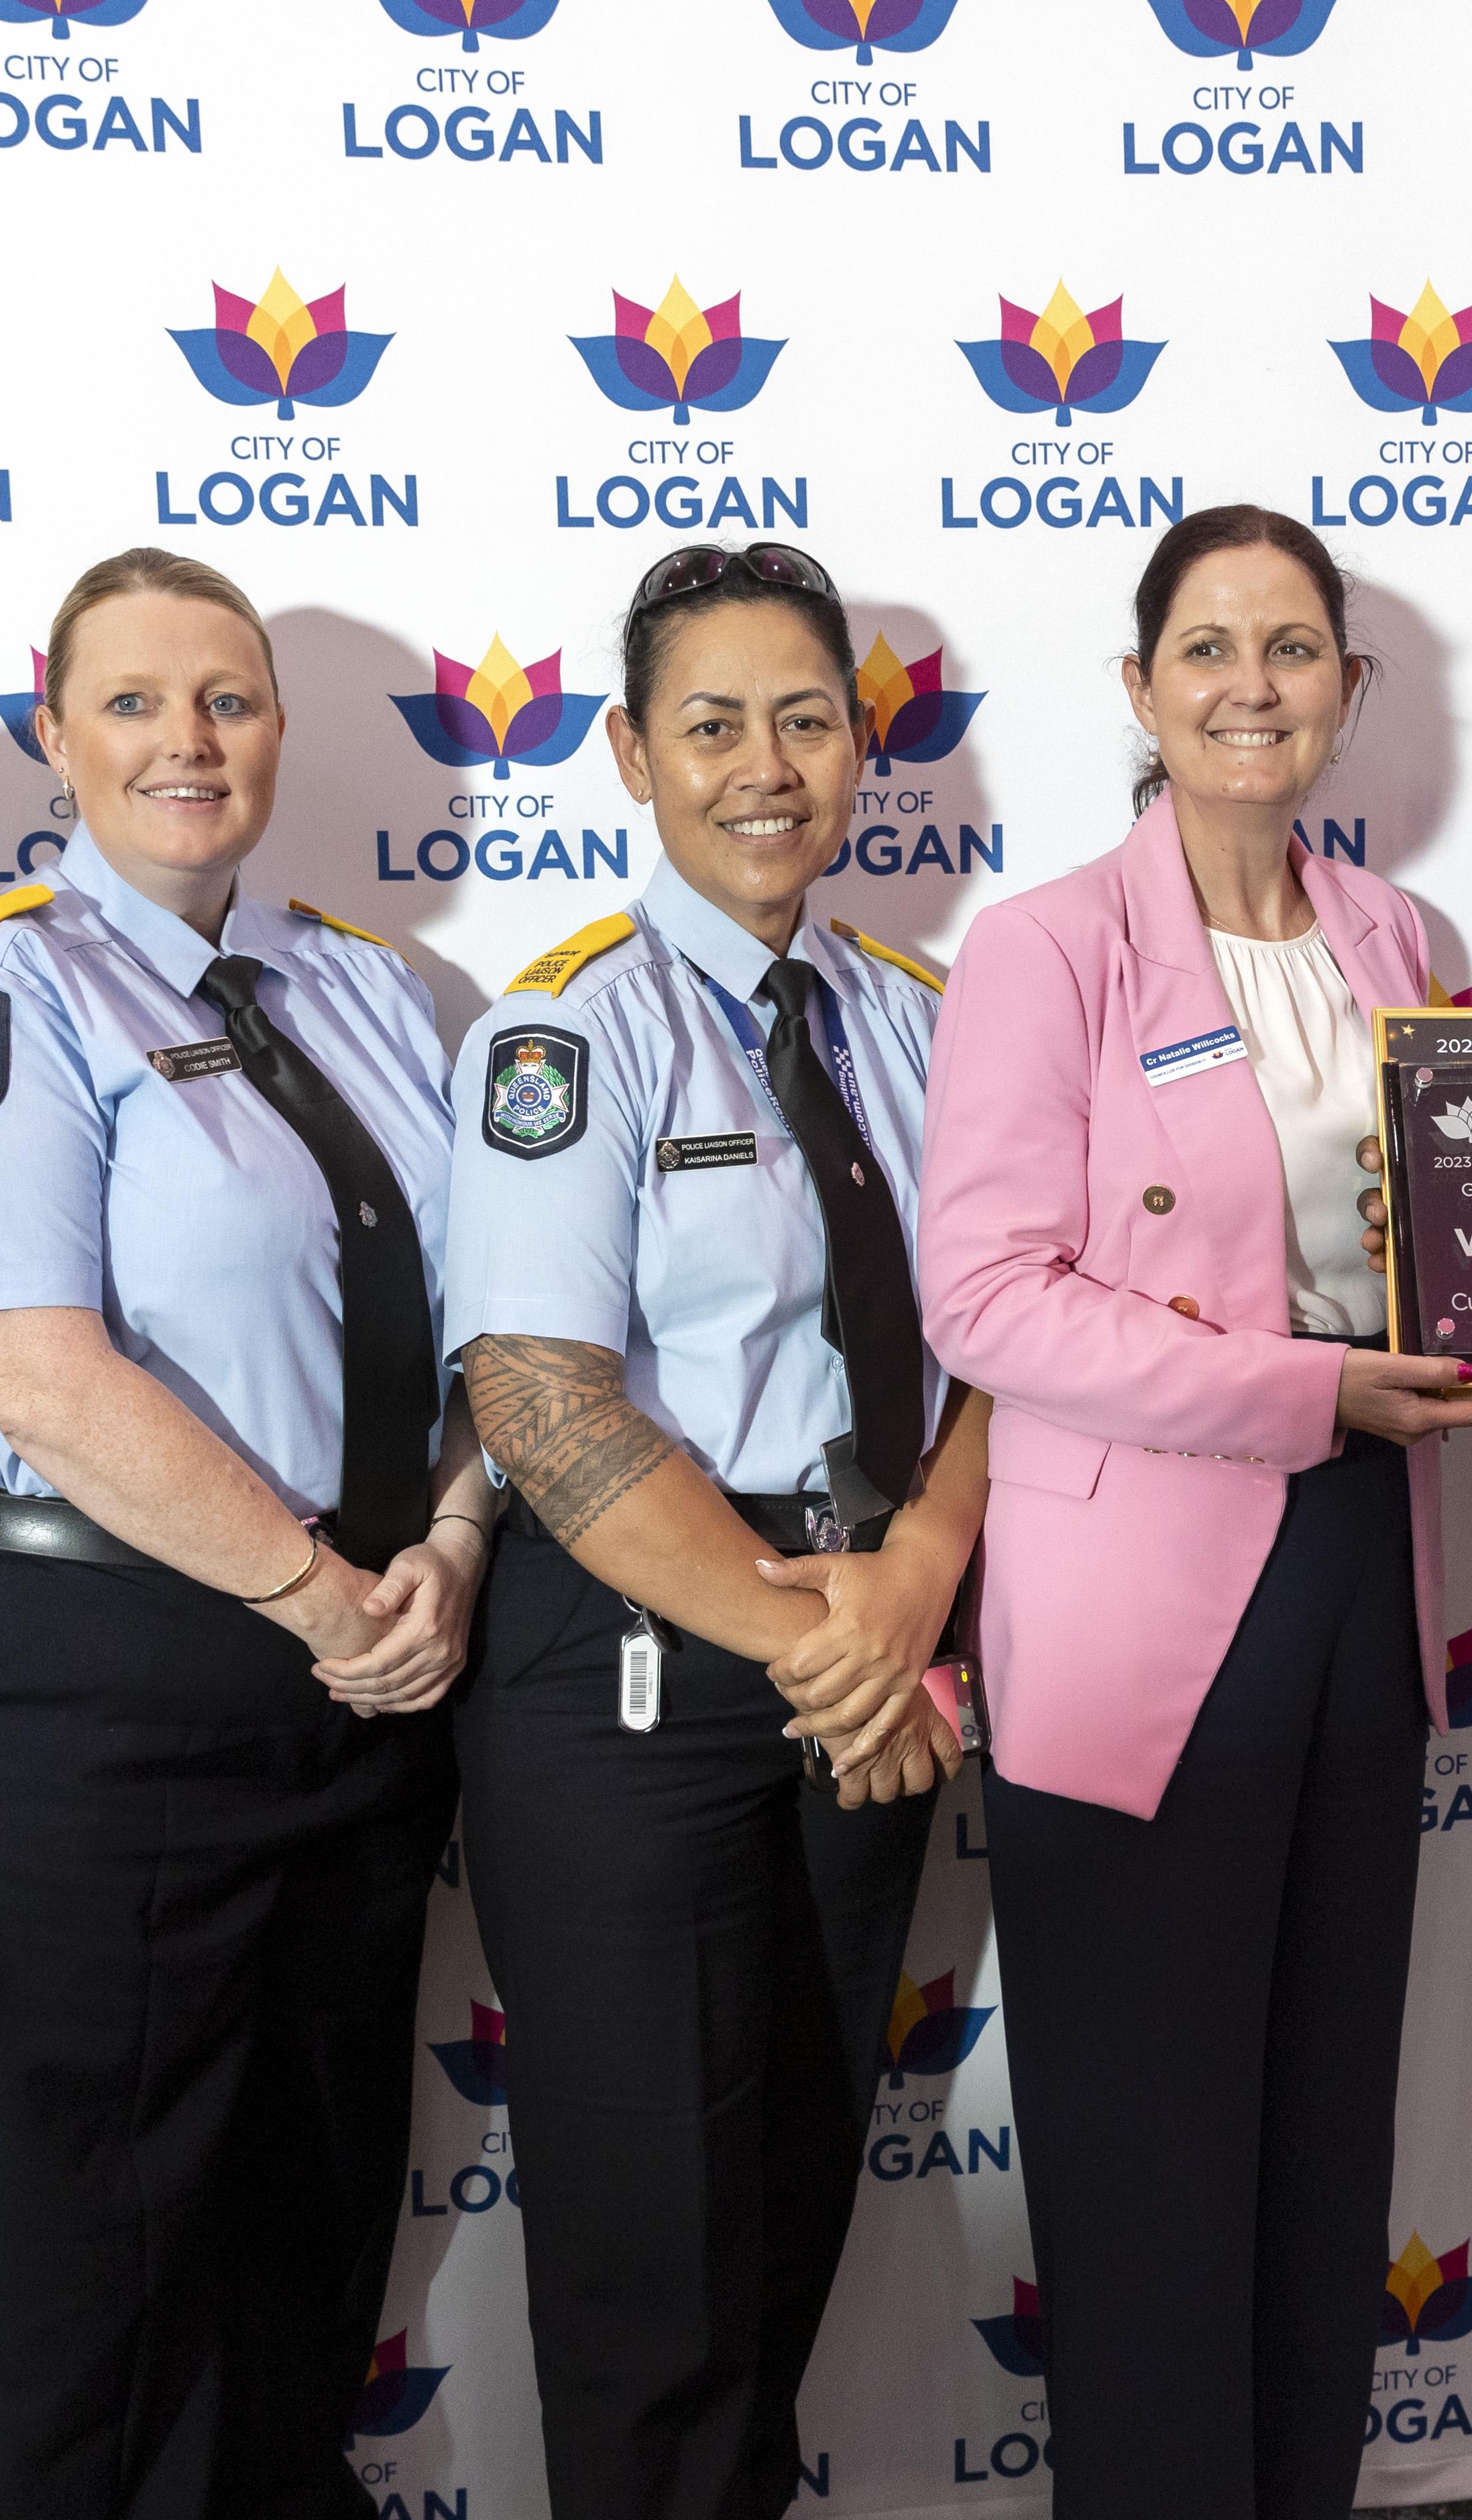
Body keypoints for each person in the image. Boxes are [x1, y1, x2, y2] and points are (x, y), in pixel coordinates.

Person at [917, 504, 1472, 2519]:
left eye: (1291, 651)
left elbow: (1455, 1249)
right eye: (1207, 649)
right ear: (1138, 690)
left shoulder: (1405, 948)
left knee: (1317, 2127)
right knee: (1152, 2153)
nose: (1248, 687)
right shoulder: (1046, 948)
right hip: (1142, 1603)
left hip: (1367, 1563)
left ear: (1349, 696)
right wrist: (1308, 1389)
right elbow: (987, 1301)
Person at [0, 548, 471, 2519]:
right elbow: (29, 1364)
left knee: (302, 2251)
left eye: (227, 698)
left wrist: (445, 1549)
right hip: (97, 1694)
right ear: (52, 732)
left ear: (281, 730)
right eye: (132, 702)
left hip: (371, 1674)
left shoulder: (379, 993)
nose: (185, 740)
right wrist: (308, 1585)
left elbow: (501, 1339)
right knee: (96, 2296)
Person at [442, 538, 984, 2520]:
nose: (766, 765)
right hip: (650, 1663)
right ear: (627, 754)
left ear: (863, 747)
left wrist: (908, 1593)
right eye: (711, 725)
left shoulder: (919, 1017)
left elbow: (1009, 1330)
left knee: (781, 2209)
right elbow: (541, 1404)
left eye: (806, 719)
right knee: (649, 2249)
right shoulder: (565, 1032)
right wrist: (827, 1643)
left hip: (873, 1637)